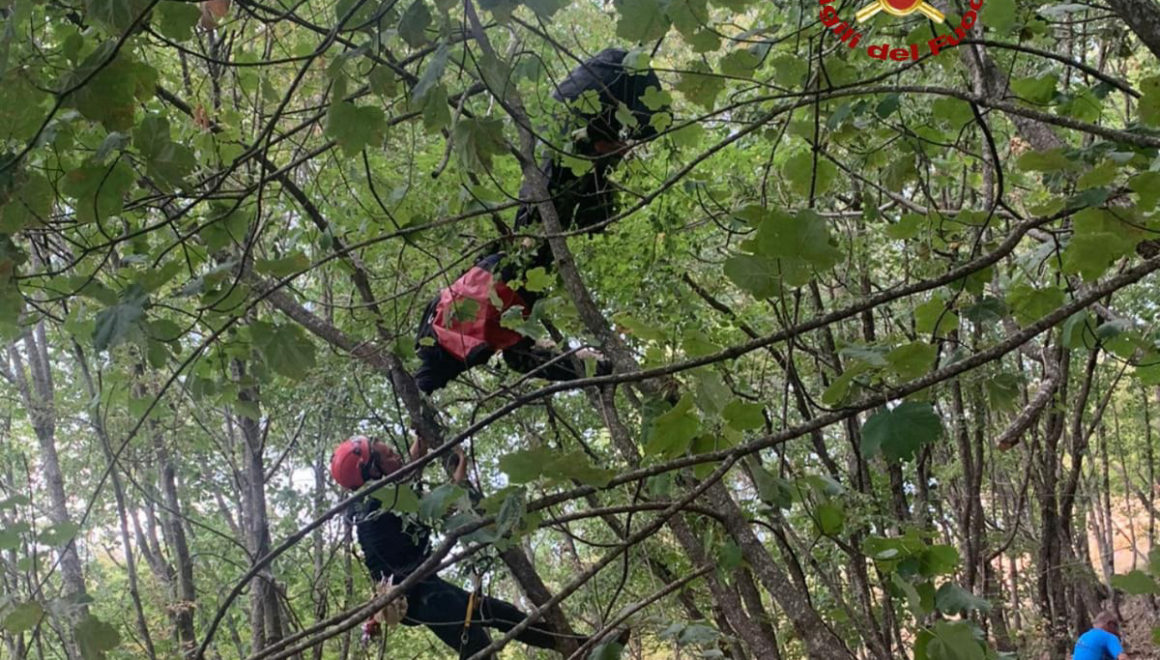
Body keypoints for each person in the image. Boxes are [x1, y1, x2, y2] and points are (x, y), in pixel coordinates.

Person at [413, 48, 666, 394]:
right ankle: (598, 365)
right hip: (507, 270)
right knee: (581, 208)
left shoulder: (462, 343)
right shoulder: (435, 330)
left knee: (562, 201)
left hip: (514, 272)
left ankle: (599, 366)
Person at [330, 435, 575, 658]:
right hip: (420, 596)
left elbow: (409, 469)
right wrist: (458, 474)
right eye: (390, 455)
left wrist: (420, 436)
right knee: (478, 646)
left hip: (425, 589)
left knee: (501, 613)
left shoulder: (376, 500)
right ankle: (571, 644)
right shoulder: (378, 507)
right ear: (374, 471)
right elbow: (439, 504)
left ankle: (572, 644)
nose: (398, 457)